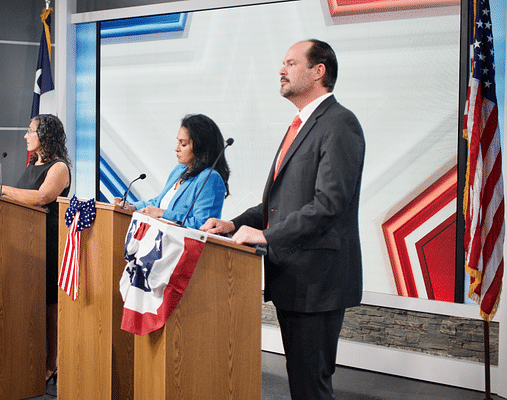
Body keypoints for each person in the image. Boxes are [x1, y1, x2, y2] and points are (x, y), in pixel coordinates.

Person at [201, 39, 365, 400]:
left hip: (317, 280)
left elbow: (328, 204)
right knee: (301, 382)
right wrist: (232, 224)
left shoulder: (339, 124)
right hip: (294, 279)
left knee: (311, 386)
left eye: (291, 63)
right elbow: (279, 202)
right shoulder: (301, 125)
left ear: (318, 71)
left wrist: (266, 236)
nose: (281, 70)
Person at [0, 114, 71, 384]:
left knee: (49, 305)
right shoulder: (32, 165)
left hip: (47, 241)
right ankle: (26, 357)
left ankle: (51, 363)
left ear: (45, 135)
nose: (25, 136)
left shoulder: (58, 167)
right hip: (24, 242)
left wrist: (1, 189)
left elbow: (42, 198)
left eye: (30, 131)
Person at [114, 114, 230, 229]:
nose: (177, 148)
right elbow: (157, 203)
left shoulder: (210, 178)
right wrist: (131, 207)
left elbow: (203, 225)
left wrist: (162, 214)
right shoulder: (179, 170)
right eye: (177, 142)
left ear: (201, 146)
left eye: (183, 144)